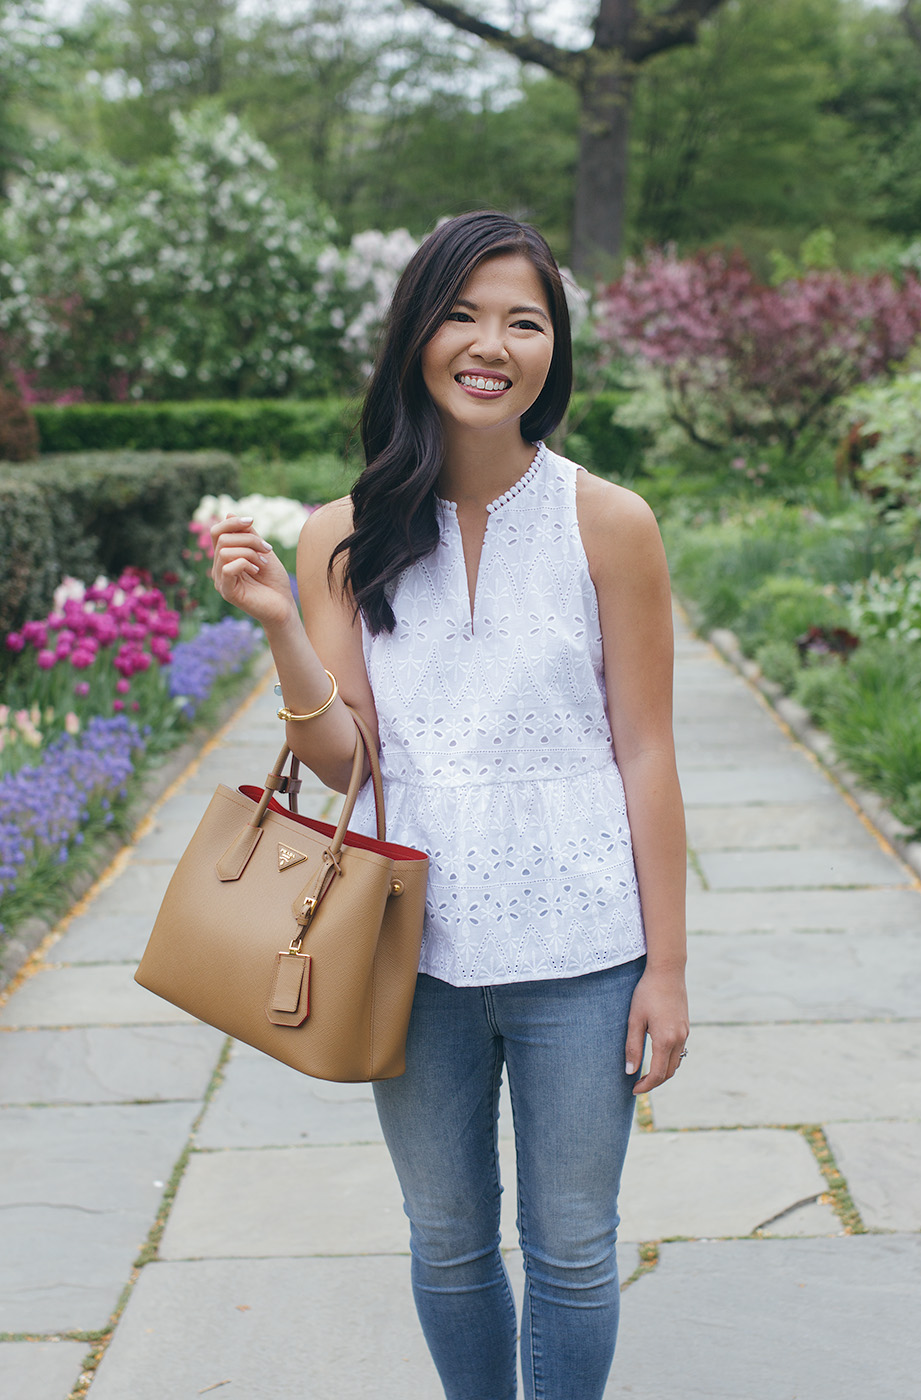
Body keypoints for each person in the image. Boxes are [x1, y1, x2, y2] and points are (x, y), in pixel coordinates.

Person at [210, 210, 688, 1400]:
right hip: (405, 950)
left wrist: (667, 968)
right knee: (447, 1235)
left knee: (575, 1244)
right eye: (462, 313)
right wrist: (280, 627)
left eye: (523, 319)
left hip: (584, 949)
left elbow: (645, 750)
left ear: (551, 350)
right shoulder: (342, 536)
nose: (491, 342)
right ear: (417, 335)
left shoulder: (610, 522)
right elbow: (342, 759)